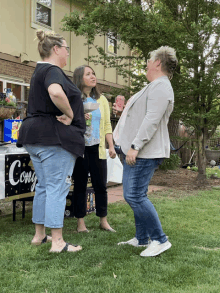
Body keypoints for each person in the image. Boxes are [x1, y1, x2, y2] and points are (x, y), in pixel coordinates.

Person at [17, 30, 86, 253]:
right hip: (53, 139)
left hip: (34, 137)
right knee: (58, 187)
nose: (67, 53)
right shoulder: (53, 70)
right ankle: (57, 242)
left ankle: (39, 235)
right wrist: (71, 114)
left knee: (45, 186)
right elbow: (56, 92)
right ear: (56, 49)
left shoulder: (38, 70)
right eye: (66, 49)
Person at [113, 46, 178, 257]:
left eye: (150, 60)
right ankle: (142, 238)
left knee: (133, 195)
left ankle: (160, 239)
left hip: (144, 151)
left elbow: (152, 120)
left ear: (158, 63)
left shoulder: (161, 86)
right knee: (136, 195)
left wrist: (135, 146)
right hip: (139, 150)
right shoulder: (155, 86)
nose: (147, 63)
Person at [72, 65, 116, 233]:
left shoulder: (102, 100)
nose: (92, 76)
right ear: (79, 78)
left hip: (97, 149)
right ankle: (80, 223)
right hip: (80, 150)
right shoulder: (75, 99)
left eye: (93, 73)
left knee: (100, 185)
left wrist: (111, 146)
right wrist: (80, 118)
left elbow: (106, 125)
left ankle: (103, 220)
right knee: (80, 186)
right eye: (88, 74)